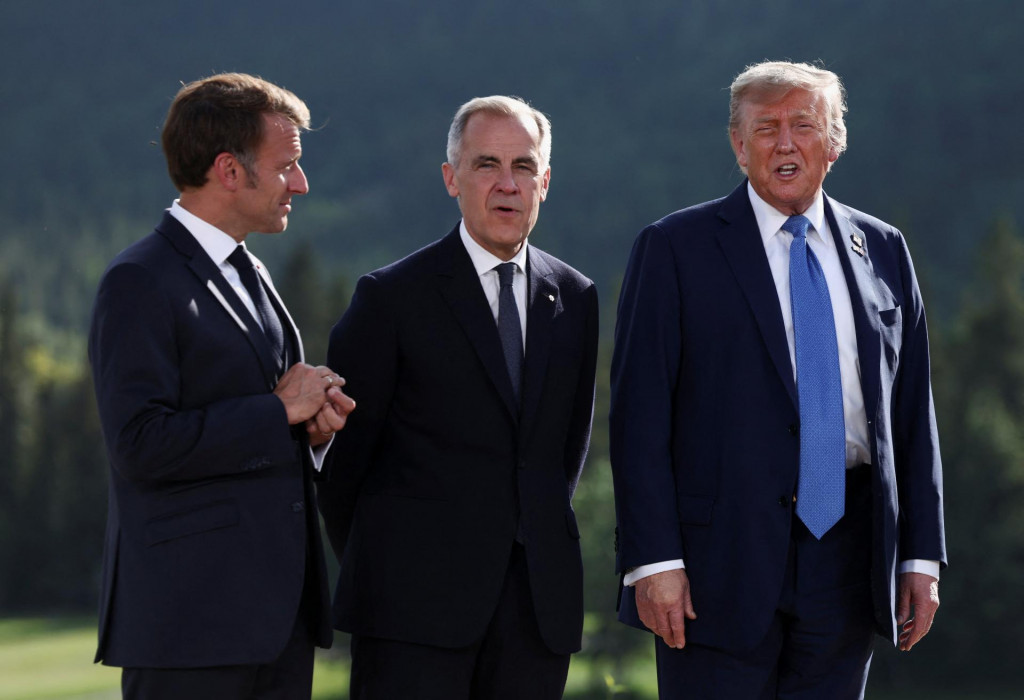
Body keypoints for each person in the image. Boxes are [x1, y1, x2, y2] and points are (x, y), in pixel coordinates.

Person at [609, 60, 947, 699]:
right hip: (715, 568)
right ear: (738, 145)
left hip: (850, 556)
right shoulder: (674, 248)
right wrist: (654, 560)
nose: (784, 143)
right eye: (765, 128)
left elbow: (912, 415)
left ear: (835, 142)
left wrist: (920, 556)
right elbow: (638, 416)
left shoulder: (885, 249)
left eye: (803, 125)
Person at [317, 95, 599, 699]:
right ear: (452, 178)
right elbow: (343, 469)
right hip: (410, 616)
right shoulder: (389, 300)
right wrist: (398, 563)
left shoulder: (576, 297)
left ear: (544, 182)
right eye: (485, 165)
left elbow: (563, 454)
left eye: (524, 167)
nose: (507, 184)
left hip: (534, 618)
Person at [88, 72, 356, 700]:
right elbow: (140, 443)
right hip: (190, 628)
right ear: (229, 171)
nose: (301, 182)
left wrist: (312, 426)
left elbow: (265, 423)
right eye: (287, 164)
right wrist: (278, 410)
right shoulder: (138, 281)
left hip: (274, 625)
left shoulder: (250, 268)